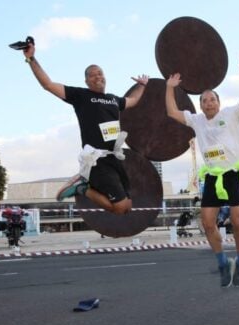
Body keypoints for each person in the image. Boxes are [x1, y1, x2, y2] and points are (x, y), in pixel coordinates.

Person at [165, 54, 239, 288]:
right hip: (212, 176)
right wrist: (169, 88)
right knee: (208, 223)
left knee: (238, 220)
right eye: (204, 100)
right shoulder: (197, 120)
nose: (208, 103)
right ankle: (222, 262)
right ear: (201, 105)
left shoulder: (231, 114)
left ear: (218, 102)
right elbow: (172, 112)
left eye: (212, 99)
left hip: (232, 174)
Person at [22, 42, 149, 215]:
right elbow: (48, 85)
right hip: (97, 160)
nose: (97, 76)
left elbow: (133, 100)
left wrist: (142, 85)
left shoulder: (113, 100)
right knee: (119, 208)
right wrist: (31, 58)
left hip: (114, 159)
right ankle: (82, 187)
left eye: (100, 73)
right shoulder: (81, 96)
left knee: (126, 207)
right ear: (86, 80)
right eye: (92, 74)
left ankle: (84, 187)